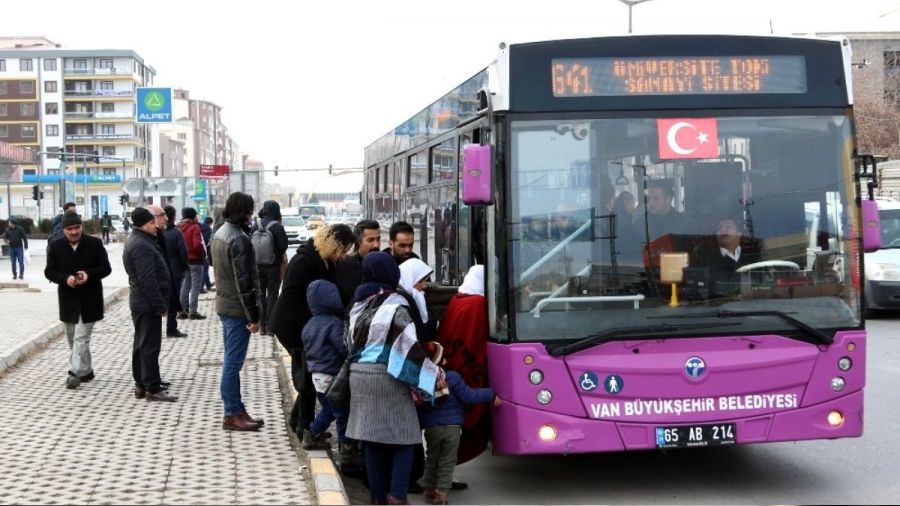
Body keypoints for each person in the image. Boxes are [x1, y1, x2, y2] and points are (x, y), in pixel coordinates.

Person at [346, 251, 444, 505]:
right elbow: (407, 347)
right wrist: (432, 374)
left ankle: (377, 498)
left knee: (372, 438)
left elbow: (347, 341)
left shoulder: (358, 303)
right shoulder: (396, 304)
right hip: (386, 376)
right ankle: (397, 496)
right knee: (406, 437)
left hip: (358, 375)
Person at [270, 224, 356, 442]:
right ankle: (304, 426)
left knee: (310, 373)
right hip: (292, 325)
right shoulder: (304, 261)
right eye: (342, 250)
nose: (342, 256)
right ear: (332, 245)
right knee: (308, 373)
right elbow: (289, 296)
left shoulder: (325, 261)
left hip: (311, 326)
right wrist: (314, 326)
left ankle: (300, 420)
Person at [418, 341, 500, 505]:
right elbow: (469, 396)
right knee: (448, 461)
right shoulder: (453, 378)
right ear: (442, 359)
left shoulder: (422, 379)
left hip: (432, 428)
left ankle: (429, 490)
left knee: (432, 458)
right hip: (452, 428)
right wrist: (491, 393)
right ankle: (442, 494)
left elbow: (421, 405)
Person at [211, 192, 265, 431]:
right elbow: (244, 283)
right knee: (233, 364)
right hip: (236, 309)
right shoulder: (238, 239)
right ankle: (232, 413)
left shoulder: (220, 232)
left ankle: (237, 409)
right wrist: (254, 317)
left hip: (225, 304)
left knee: (231, 361)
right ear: (245, 212)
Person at [44, 212, 112, 390]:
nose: (74, 232)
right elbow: (49, 271)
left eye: (77, 227)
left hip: (90, 298)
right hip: (68, 299)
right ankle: (86, 370)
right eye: (69, 229)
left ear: (82, 227)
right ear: (63, 230)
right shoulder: (55, 245)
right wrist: (65, 278)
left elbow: (106, 268)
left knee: (81, 338)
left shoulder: (95, 243)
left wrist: (88, 275)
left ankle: (73, 373)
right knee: (72, 339)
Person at [436, 265, 491, 468]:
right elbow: (477, 338)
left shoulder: (458, 298)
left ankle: (445, 474)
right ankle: (446, 476)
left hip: (451, 365)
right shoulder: (477, 303)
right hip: (468, 369)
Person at [123, 207, 178, 402]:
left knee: (142, 343)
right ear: (141, 225)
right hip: (146, 304)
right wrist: (160, 305)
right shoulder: (141, 245)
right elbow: (148, 279)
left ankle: (141, 384)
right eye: (151, 223)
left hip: (143, 303)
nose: (155, 226)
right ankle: (152, 388)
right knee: (149, 346)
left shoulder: (142, 241)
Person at [301, 279, 350, 450]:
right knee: (342, 413)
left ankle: (311, 433)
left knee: (329, 410)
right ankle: (346, 447)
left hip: (317, 376)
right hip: (332, 376)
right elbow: (343, 349)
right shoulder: (333, 324)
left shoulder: (309, 324)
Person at [253, 201, 289, 335]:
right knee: (273, 294)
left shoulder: (256, 224)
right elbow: (283, 246)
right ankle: (270, 326)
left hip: (257, 266)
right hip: (273, 266)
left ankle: (262, 326)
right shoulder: (277, 226)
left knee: (260, 294)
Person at [708, 216, 760, 299]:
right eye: (720, 228)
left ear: (739, 234)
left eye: (728, 226)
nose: (723, 229)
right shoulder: (708, 262)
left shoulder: (754, 257)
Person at [335, 219, 381, 305]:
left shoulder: (384, 264)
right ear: (358, 241)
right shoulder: (346, 265)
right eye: (370, 240)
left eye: (378, 239)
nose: (376, 245)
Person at [161, 205, 189, 336]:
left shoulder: (158, 233)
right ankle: (171, 328)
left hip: (162, 271)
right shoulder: (177, 233)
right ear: (173, 217)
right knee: (173, 300)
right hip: (175, 271)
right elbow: (183, 252)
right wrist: (185, 266)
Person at [177, 207, 207, 320]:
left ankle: (182, 310)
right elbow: (197, 244)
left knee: (186, 284)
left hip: (185, 260)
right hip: (196, 260)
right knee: (196, 286)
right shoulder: (194, 227)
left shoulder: (179, 227)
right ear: (193, 216)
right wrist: (203, 254)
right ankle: (193, 311)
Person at [398, 258, 434, 342]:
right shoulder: (400, 300)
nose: (424, 286)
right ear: (408, 277)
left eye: (426, 280)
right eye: (420, 281)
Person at [200, 216, 214, 293]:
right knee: (205, 270)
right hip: (205, 252)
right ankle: (205, 286)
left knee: (201, 270)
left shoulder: (199, 228)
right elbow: (210, 243)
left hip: (198, 252)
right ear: (210, 223)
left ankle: (207, 284)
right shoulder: (209, 230)